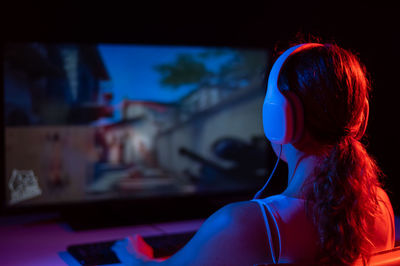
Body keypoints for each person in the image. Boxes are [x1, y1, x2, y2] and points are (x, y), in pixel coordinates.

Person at [111, 42, 395, 265]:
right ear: (361, 117)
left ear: (280, 118)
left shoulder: (247, 225)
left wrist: (137, 257)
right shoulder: (381, 207)